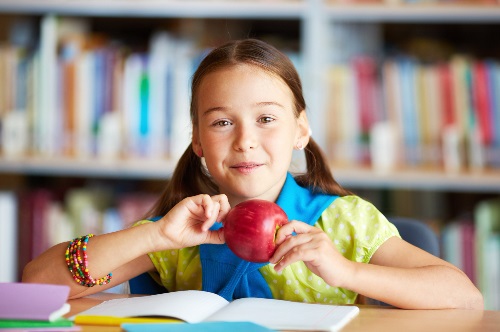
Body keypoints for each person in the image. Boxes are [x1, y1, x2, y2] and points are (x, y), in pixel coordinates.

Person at [23, 38, 483, 310]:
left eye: (266, 119)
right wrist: (153, 238)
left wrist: (345, 270)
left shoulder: (345, 223)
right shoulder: (183, 234)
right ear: (198, 142)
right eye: (222, 122)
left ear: (300, 130)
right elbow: (37, 285)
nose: (244, 140)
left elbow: (465, 298)